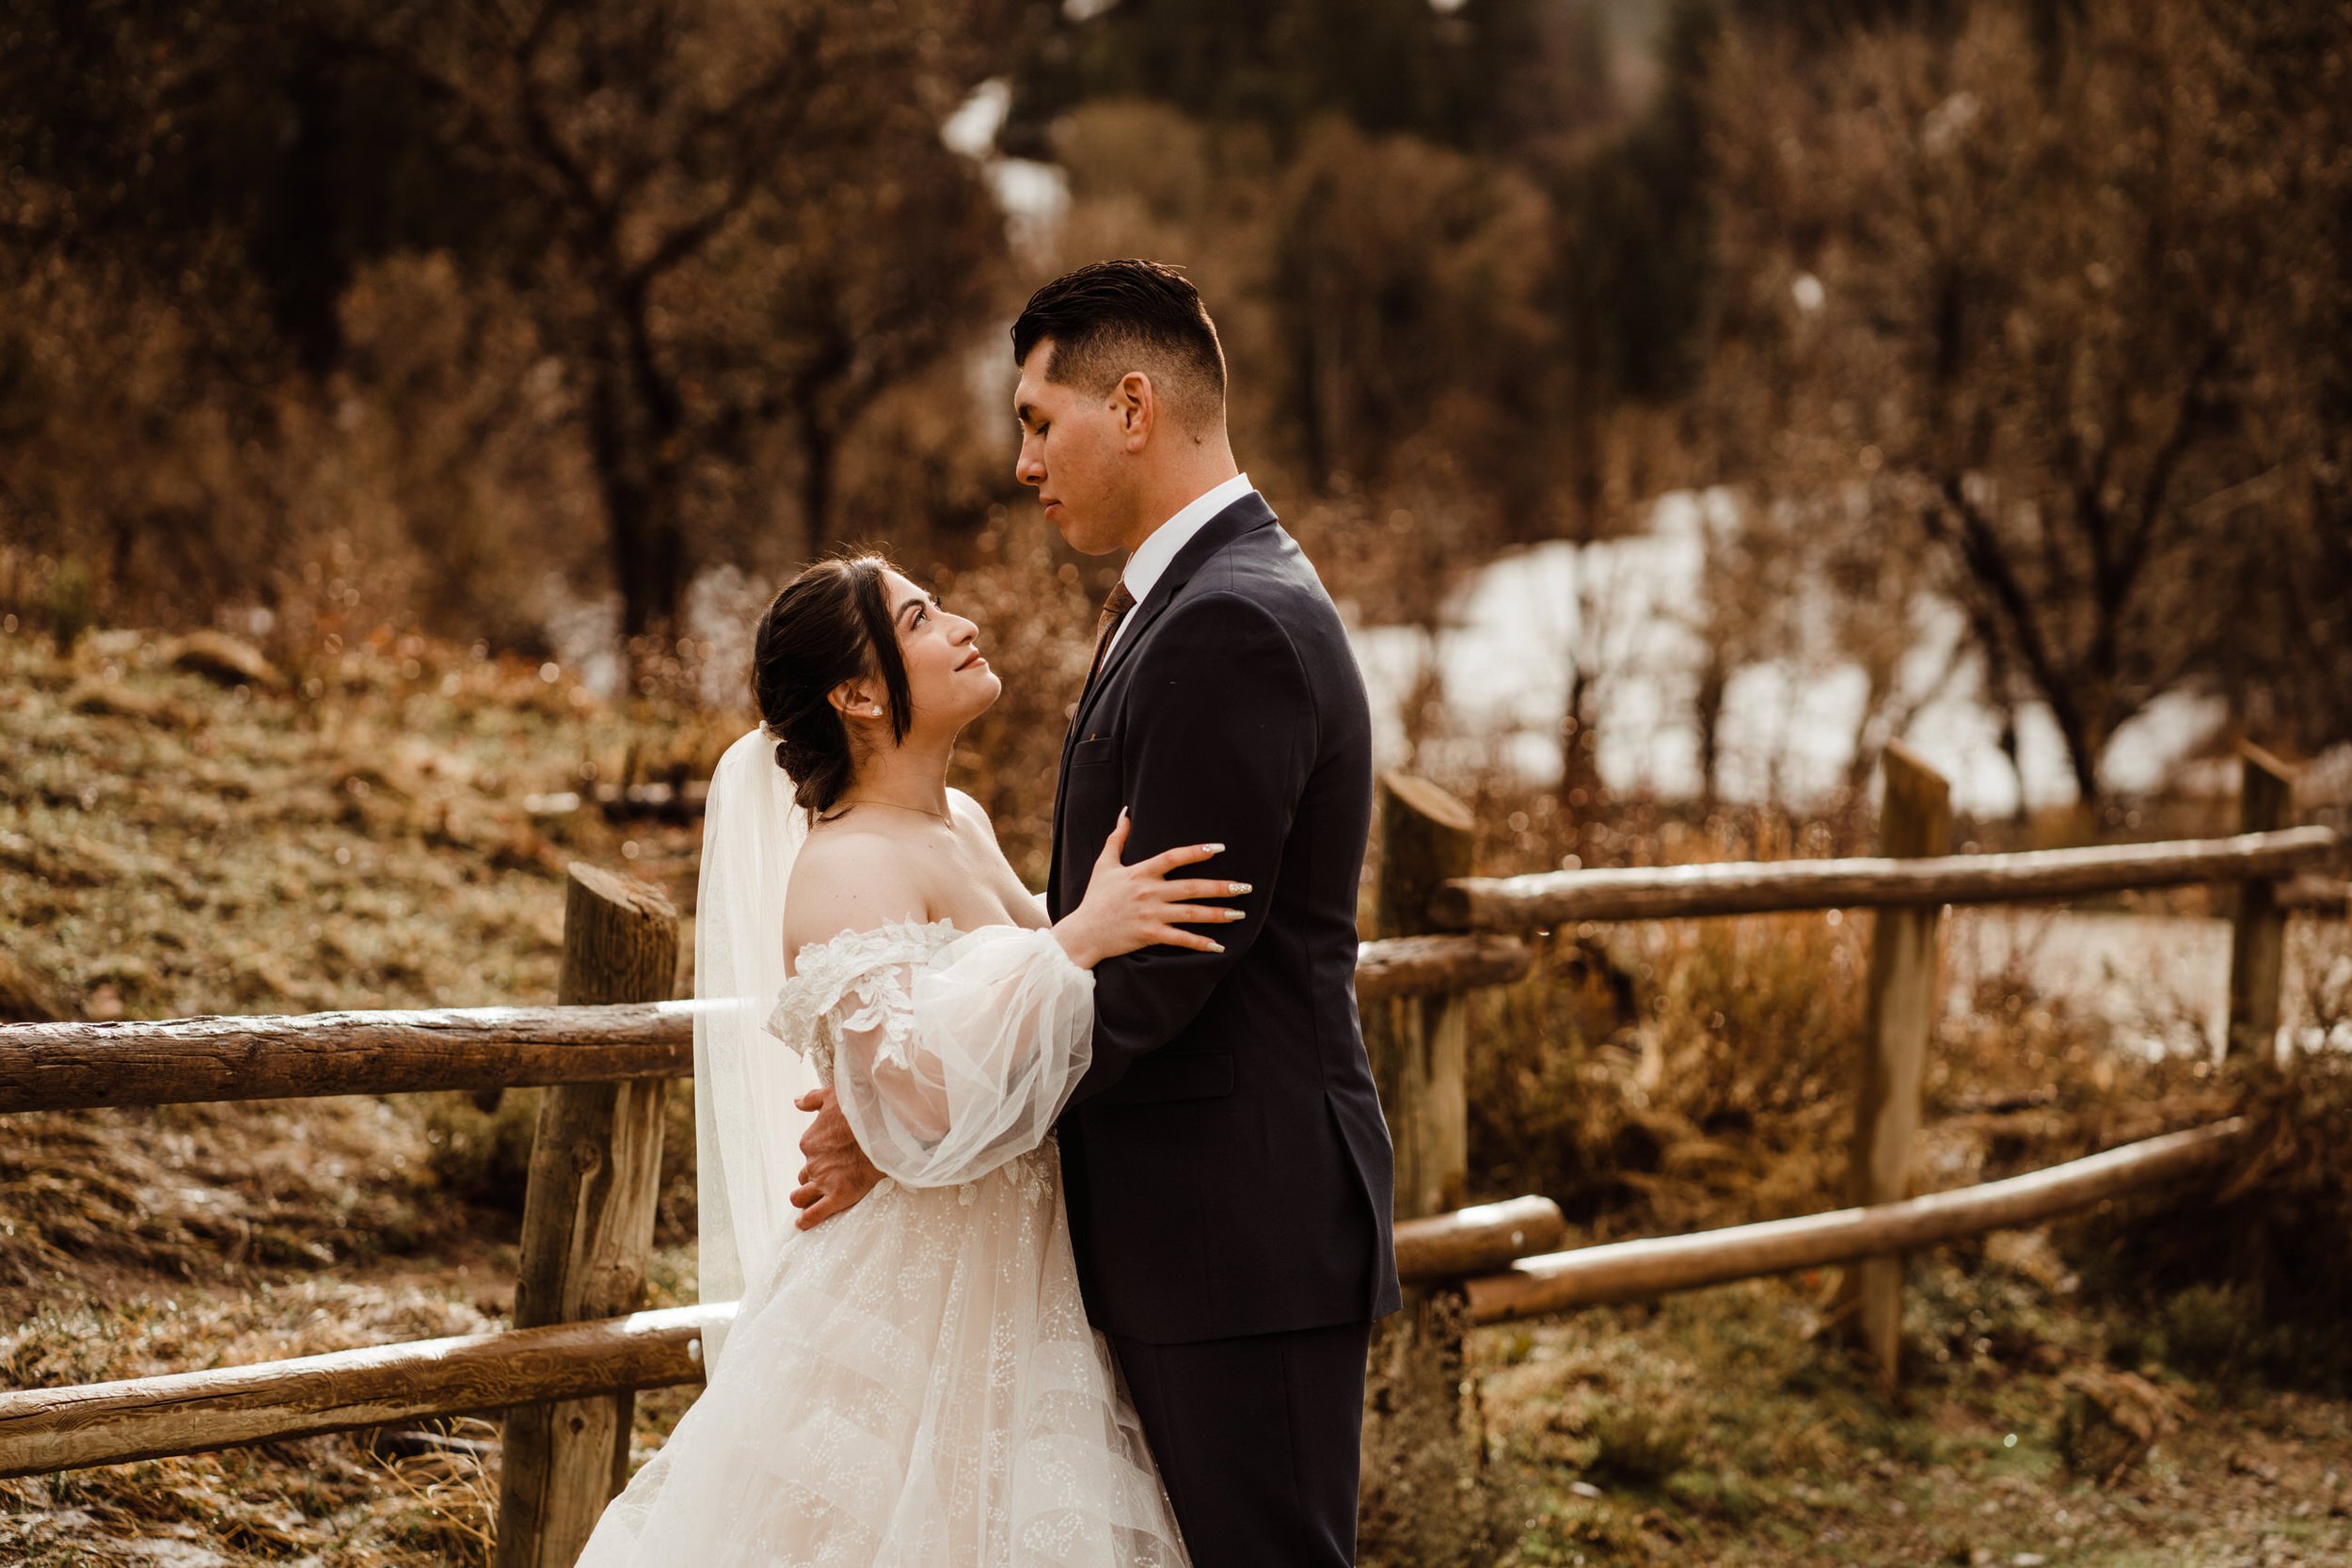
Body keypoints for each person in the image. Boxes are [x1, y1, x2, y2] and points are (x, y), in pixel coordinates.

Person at [794, 260, 1400, 1566]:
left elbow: (1159, 968)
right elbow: (1092, 933)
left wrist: (925, 1123)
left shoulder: (1227, 619)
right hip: (1186, 1232)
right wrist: (915, 1095)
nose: (1022, 461)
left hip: (1236, 1233)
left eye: (1036, 418)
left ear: (1132, 405)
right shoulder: (1181, 600)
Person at [575, 552, 1242, 1565]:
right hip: (918, 1288)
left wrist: (1081, 932)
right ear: (858, 691)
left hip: (1021, 1262)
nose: (964, 623)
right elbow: (920, 1096)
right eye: (924, 618)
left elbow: (1001, 1025)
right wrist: (1073, 939)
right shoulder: (845, 865)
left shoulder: (959, 820)